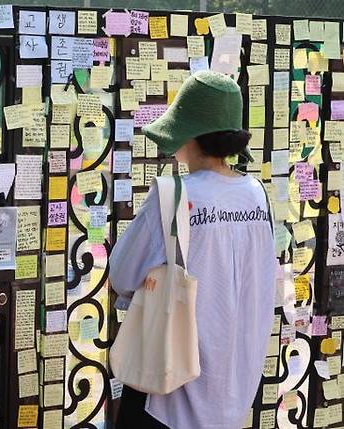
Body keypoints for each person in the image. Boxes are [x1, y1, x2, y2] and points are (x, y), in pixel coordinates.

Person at [109, 70, 277, 429]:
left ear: (190, 134)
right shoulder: (256, 195)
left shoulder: (173, 196)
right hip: (234, 387)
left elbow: (122, 275)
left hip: (168, 389)